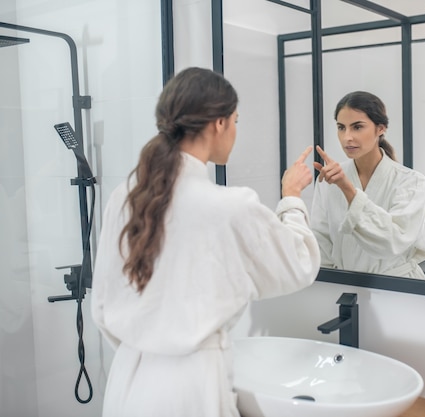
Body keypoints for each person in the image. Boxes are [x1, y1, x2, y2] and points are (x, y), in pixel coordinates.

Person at [91, 67, 320, 417]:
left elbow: (103, 309)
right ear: (219, 124)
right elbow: (299, 264)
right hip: (190, 389)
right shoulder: (229, 206)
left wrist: (148, 345)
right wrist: (291, 197)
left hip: (127, 385)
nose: (235, 131)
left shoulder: (125, 197)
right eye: (236, 121)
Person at [310, 90, 425, 278]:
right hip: (345, 286)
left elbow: (393, 241)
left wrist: (347, 188)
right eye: (341, 127)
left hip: (399, 290)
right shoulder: (329, 181)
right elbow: (320, 243)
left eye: (357, 127)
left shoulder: (412, 182)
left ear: (380, 128)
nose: (347, 137)